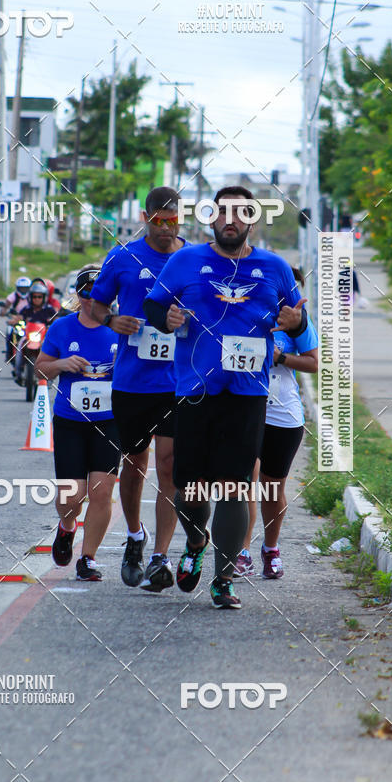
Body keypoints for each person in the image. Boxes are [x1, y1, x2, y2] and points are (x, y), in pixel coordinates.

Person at [143, 186, 307, 610]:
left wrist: (296, 321)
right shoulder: (185, 260)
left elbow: (300, 324)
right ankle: (196, 541)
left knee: (236, 488)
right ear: (210, 218)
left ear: (252, 220)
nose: (230, 221)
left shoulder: (274, 268)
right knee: (189, 488)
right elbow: (154, 307)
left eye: (240, 214)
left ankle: (223, 577)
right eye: (222, 213)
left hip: (249, 394)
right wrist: (168, 318)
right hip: (195, 392)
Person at [90, 187, 186, 592]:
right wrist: (112, 321)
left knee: (168, 465)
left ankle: (161, 557)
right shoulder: (124, 256)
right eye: (159, 220)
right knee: (134, 465)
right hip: (132, 382)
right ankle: (134, 537)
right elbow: (95, 307)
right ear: (145, 217)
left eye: (173, 221)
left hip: (178, 380)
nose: (166, 229)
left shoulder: (192, 259)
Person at [36, 266, 120, 580]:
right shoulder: (61, 328)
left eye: (101, 293)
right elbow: (40, 370)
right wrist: (61, 364)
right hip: (71, 421)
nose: (93, 299)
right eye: (87, 293)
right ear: (79, 295)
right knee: (72, 496)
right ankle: (67, 526)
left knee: (101, 492)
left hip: (109, 423)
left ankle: (88, 558)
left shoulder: (121, 329)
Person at [234, 267, 318, 580]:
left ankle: (270, 547)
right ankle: (240, 550)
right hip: (245, 408)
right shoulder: (245, 310)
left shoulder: (300, 322)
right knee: (243, 480)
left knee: (271, 488)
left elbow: (313, 363)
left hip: (283, 414)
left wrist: (280, 358)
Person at [0, 277, 31, 362]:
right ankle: (9, 354)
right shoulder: (12, 296)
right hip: (15, 321)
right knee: (10, 333)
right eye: (21, 288)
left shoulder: (33, 297)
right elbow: (4, 308)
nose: (23, 290)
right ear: (17, 288)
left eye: (25, 288)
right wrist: (4, 311)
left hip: (29, 321)